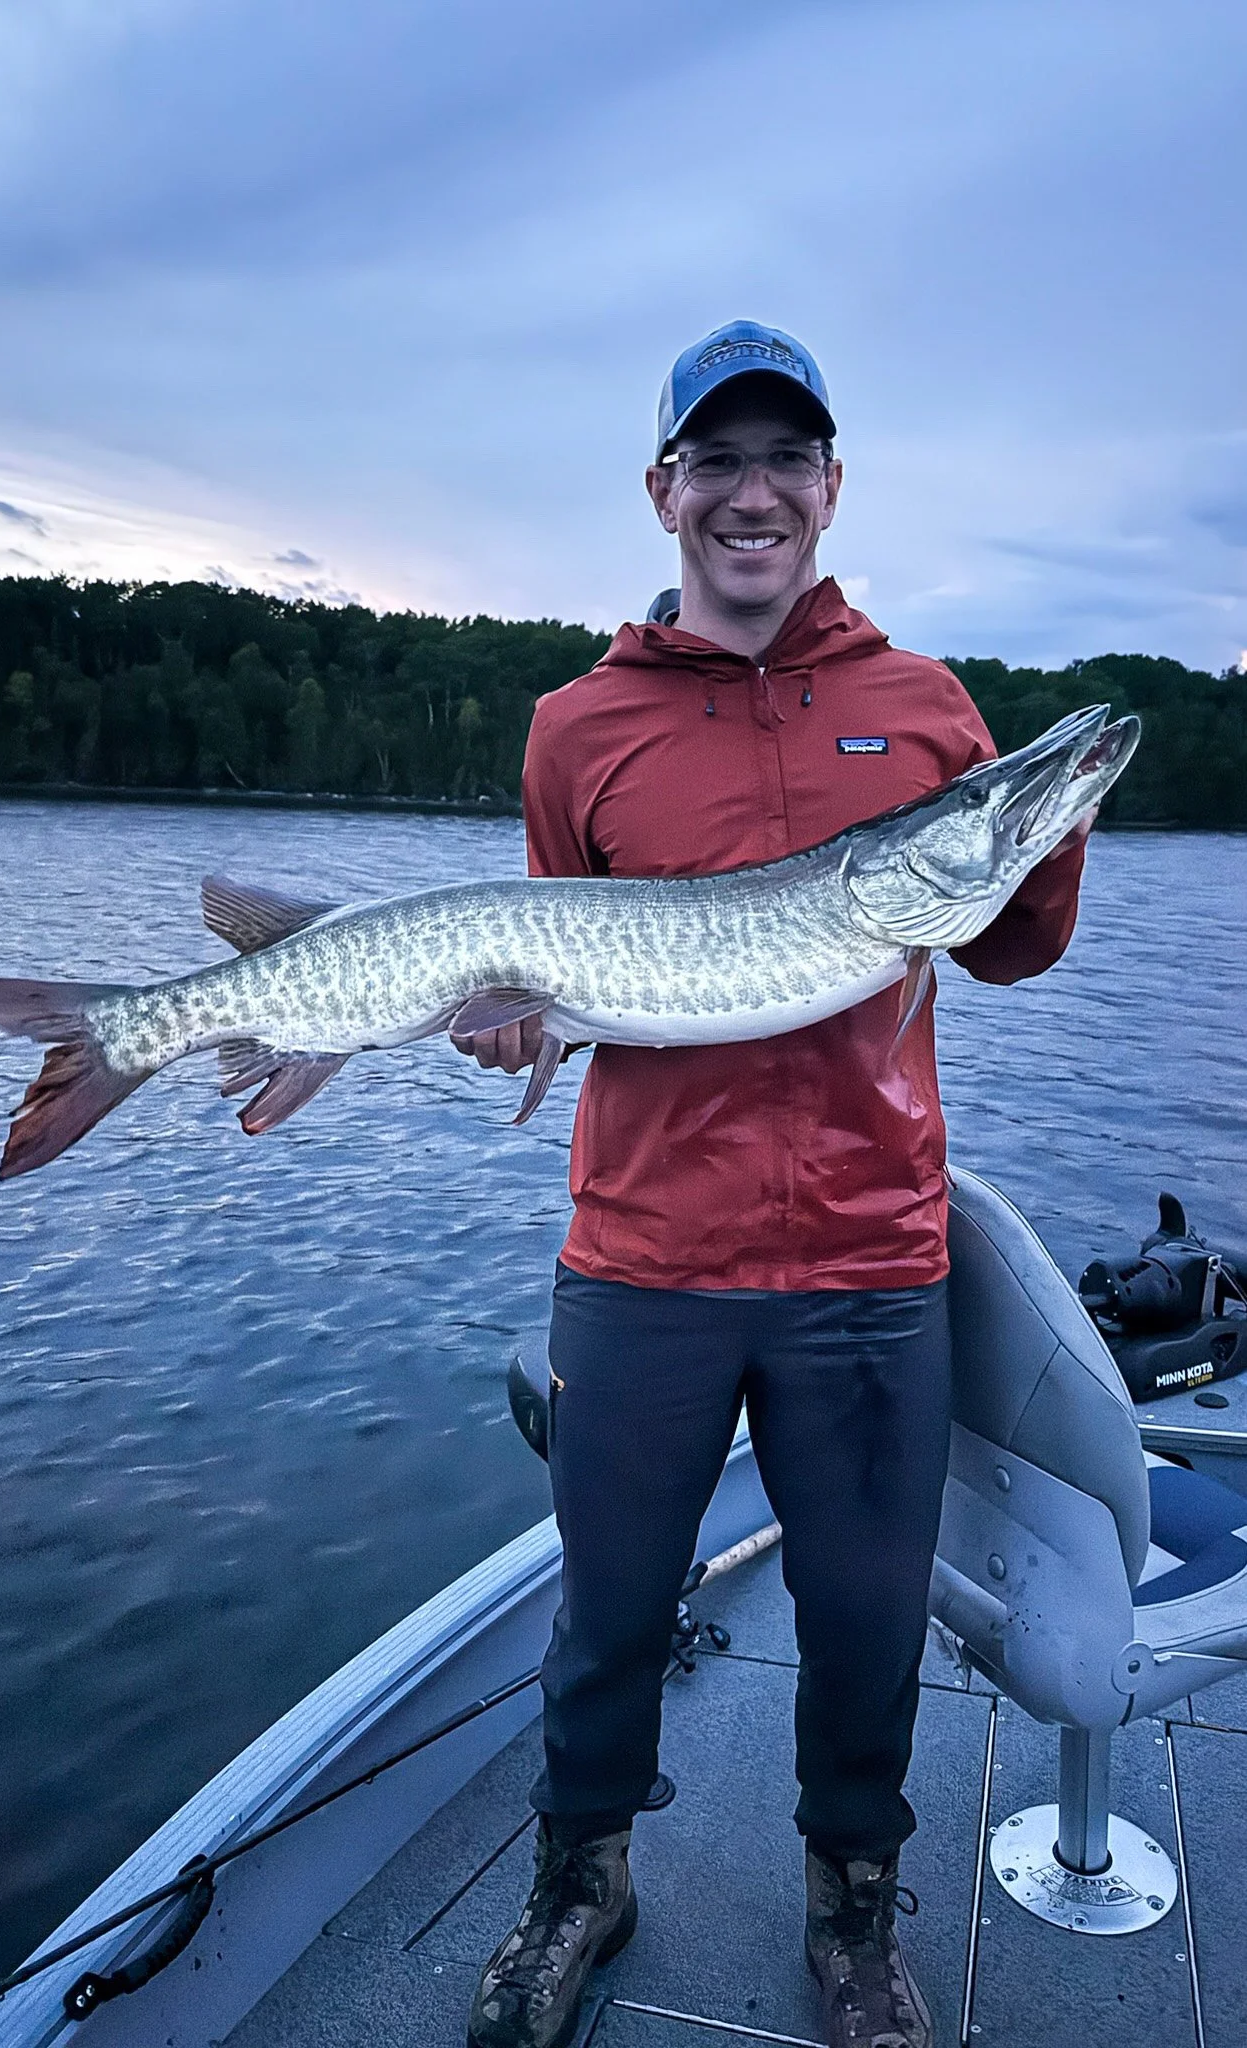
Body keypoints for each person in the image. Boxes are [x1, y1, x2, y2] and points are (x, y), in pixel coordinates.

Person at [455, 320, 1091, 2048]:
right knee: (604, 1614)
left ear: (830, 486)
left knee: (867, 1622)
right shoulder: (577, 728)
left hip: (873, 1266)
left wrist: (1038, 825)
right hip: (646, 1256)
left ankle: (854, 1915)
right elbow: (554, 963)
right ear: (665, 492)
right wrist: (513, 1026)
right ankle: (578, 1886)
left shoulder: (924, 705)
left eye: (784, 460)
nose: (752, 494)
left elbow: (1014, 947)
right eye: (715, 462)